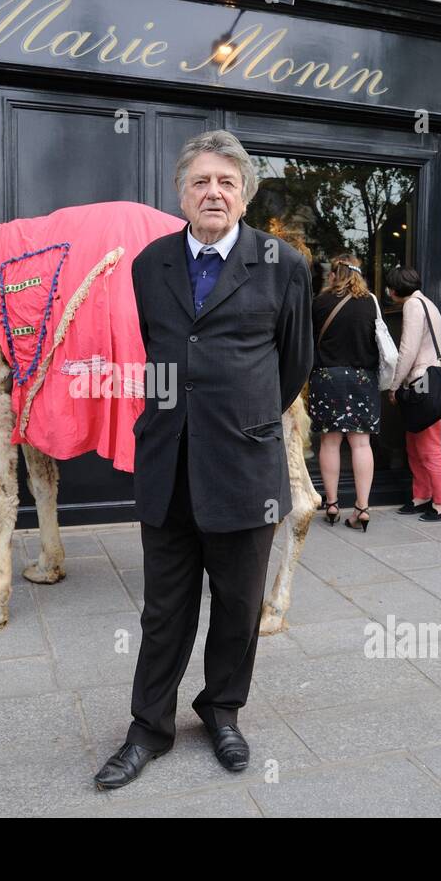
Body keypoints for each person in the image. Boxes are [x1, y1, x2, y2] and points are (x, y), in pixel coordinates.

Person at [93, 130, 312, 790]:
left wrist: (241, 420)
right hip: (167, 464)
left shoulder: (283, 264)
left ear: (243, 194)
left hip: (245, 466)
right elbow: (156, 346)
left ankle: (222, 711)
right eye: (200, 182)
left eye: (225, 181)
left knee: (239, 603)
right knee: (164, 609)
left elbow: (293, 363)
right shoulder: (149, 264)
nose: (213, 192)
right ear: (181, 193)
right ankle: (148, 728)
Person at [308, 253, 380, 530]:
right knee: (361, 444)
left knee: (330, 443)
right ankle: (362, 507)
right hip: (363, 378)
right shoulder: (370, 303)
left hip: (327, 377)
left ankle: (333, 504)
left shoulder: (320, 302)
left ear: (333, 275)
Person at [384, 265, 441, 521]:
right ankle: (422, 496)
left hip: (422, 383)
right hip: (428, 381)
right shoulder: (427, 303)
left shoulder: (413, 306)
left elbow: (408, 350)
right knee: (415, 445)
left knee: (428, 447)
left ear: (394, 290)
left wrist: (393, 385)